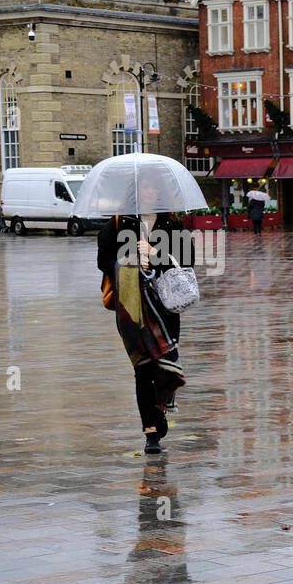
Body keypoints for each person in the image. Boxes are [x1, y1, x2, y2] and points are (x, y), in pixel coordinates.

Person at [97, 192, 188, 454]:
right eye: (141, 191)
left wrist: (156, 254)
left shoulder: (172, 225)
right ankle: (150, 431)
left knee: (163, 365)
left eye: (151, 190)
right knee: (142, 367)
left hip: (165, 309)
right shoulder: (119, 224)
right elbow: (103, 260)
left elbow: (186, 259)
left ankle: (159, 412)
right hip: (132, 307)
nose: (146, 196)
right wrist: (130, 261)